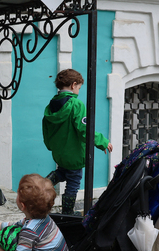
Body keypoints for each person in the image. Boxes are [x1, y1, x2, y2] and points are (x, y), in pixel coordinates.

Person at [42, 69, 112, 215]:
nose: (79, 91)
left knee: (62, 172)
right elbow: (85, 129)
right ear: (73, 85)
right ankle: (67, 212)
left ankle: (46, 182)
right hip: (74, 155)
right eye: (79, 87)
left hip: (59, 153)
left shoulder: (50, 106)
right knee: (73, 182)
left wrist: (51, 146)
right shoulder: (76, 104)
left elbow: (46, 129)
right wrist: (102, 142)